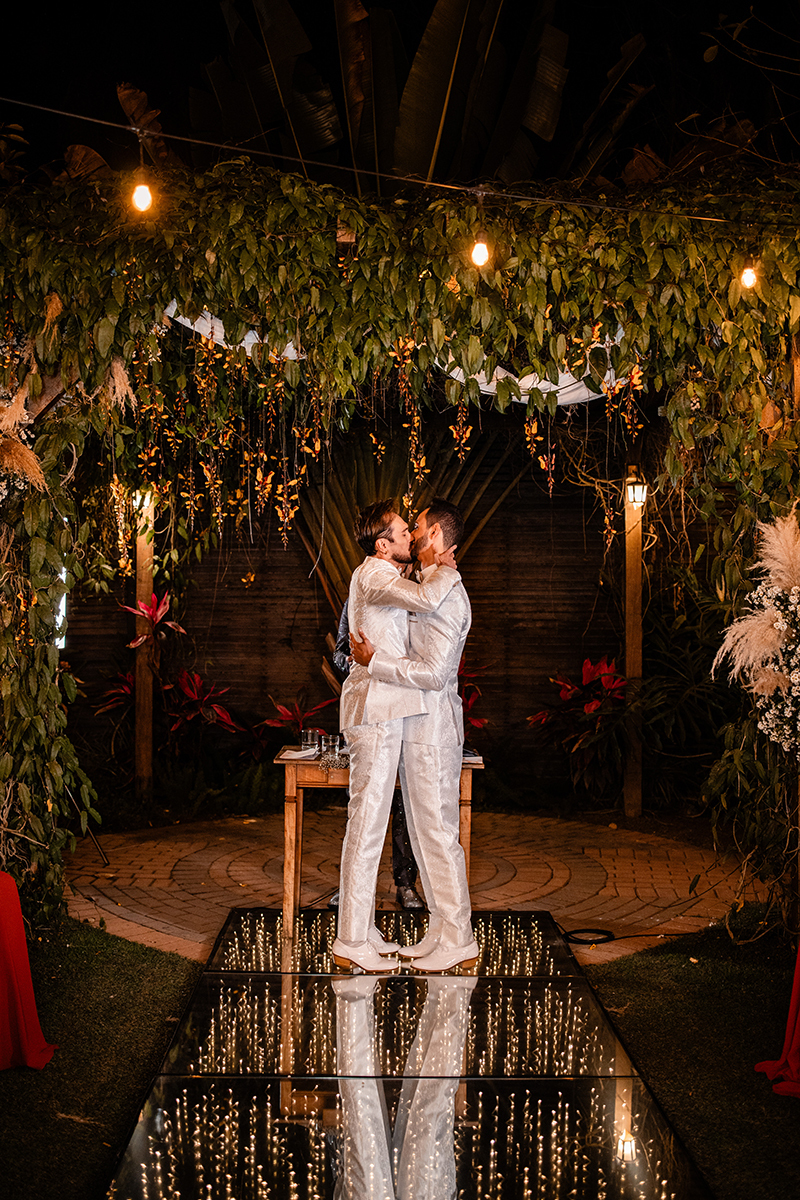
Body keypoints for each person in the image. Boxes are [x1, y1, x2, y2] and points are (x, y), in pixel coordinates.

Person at [332, 499, 460, 972]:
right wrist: (448, 567)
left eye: (415, 530)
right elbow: (425, 600)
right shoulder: (374, 576)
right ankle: (351, 940)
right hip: (375, 711)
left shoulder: (382, 575)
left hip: (386, 710)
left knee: (369, 823)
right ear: (383, 545)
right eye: (405, 532)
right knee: (367, 824)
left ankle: (359, 926)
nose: (413, 537)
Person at [332, 601, 424, 911]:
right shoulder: (355, 600)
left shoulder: (410, 599)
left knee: (403, 805)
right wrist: (355, 662)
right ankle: (353, 888)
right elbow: (338, 652)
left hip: (404, 710)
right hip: (366, 712)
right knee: (362, 808)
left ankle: (405, 884)